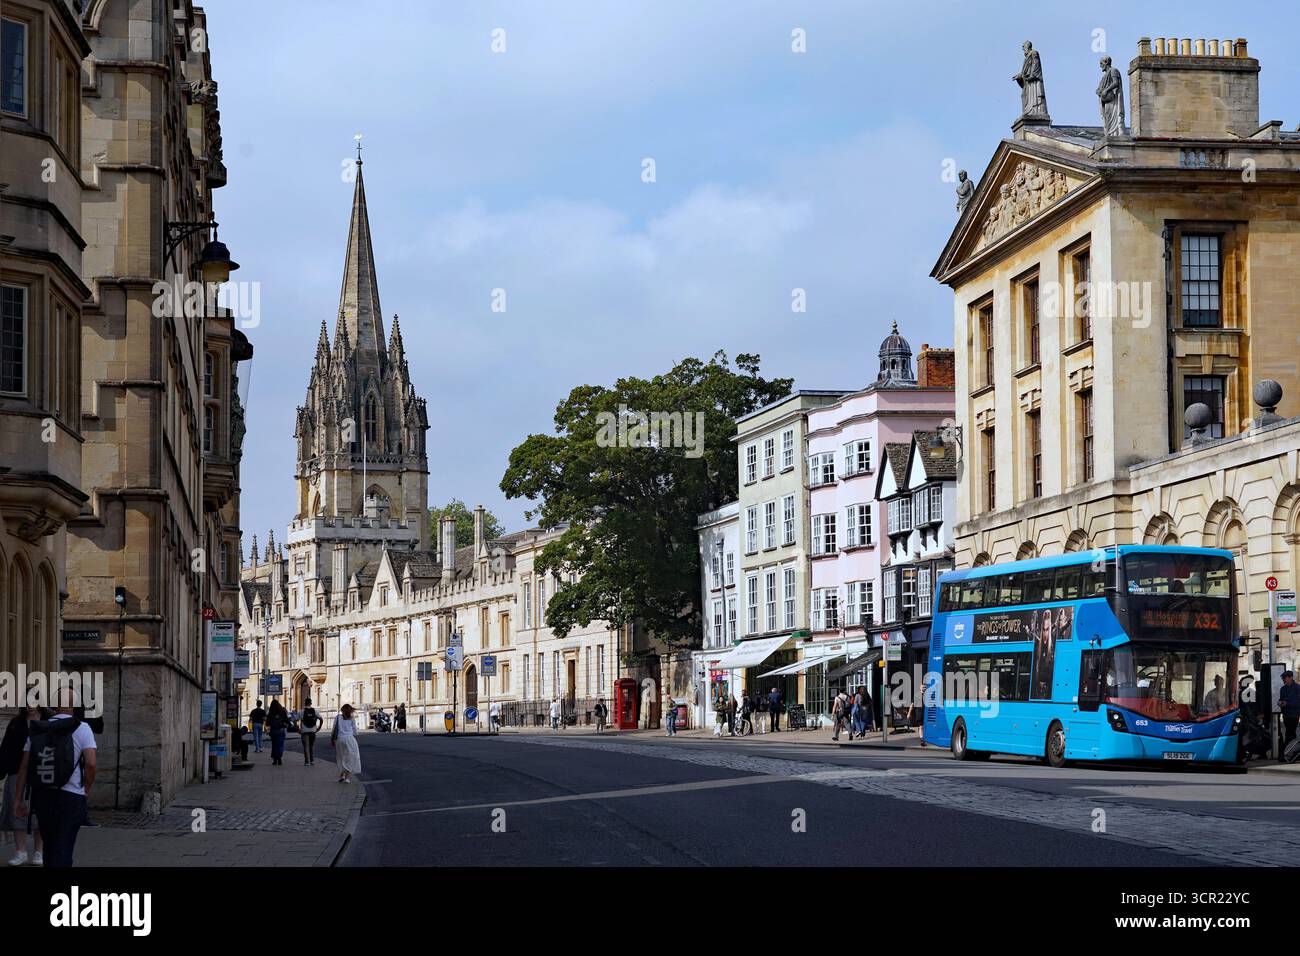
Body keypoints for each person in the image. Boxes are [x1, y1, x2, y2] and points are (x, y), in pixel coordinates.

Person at [14, 688, 96, 867]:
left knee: (49, 848)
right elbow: (90, 763)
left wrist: (18, 799)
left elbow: (25, 766)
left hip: (43, 794)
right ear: (74, 706)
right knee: (64, 847)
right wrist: (85, 789)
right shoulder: (82, 728)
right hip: (71, 796)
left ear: (53, 705)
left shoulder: (38, 728)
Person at [1, 707, 43, 866]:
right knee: (17, 811)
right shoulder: (16, 723)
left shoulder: (46, 722)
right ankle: (20, 851)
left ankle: (39, 851)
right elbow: (6, 747)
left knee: (39, 813)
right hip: (17, 771)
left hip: (39, 772)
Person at [331, 704, 362, 783]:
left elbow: (334, 728)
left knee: (340, 757)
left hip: (339, 739)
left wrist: (332, 739)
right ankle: (347, 778)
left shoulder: (337, 717)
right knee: (351, 757)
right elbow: (355, 731)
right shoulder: (351, 718)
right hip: (349, 739)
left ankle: (342, 774)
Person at [266, 699, 290, 765]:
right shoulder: (282, 711)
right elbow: (287, 720)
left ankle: (275, 759)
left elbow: (267, 723)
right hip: (281, 730)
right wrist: (287, 725)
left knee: (274, 745)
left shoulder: (271, 712)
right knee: (280, 744)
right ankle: (279, 756)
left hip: (273, 731)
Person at [1280, 671, 1300, 747]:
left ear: (1291, 677)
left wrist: (1287, 703)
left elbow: (1298, 702)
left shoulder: (1297, 688)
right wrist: (1280, 702)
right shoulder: (1283, 689)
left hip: (1294, 714)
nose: (1283, 679)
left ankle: (1289, 752)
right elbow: (1281, 699)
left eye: (1285, 678)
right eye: (1283, 678)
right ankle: (1291, 752)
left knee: (1290, 734)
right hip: (1286, 714)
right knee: (1289, 733)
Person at [299, 698, 321, 765]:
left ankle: (307, 761)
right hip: (313, 731)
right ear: (311, 703)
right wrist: (319, 728)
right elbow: (321, 719)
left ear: (305, 703)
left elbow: (294, 720)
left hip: (304, 731)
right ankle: (312, 761)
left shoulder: (301, 711)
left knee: (306, 746)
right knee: (311, 746)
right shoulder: (315, 711)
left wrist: (297, 729)